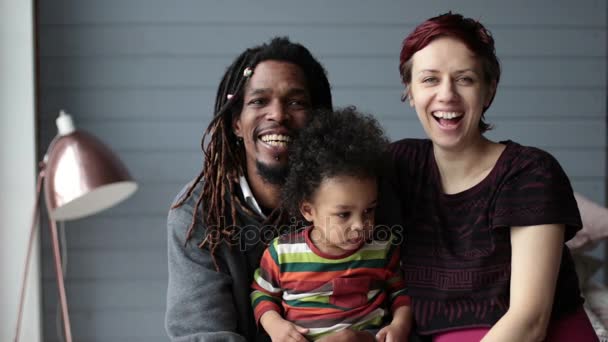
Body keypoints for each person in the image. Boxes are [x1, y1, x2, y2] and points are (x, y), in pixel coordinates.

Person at [382, 12, 599, 342]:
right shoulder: (398, 165)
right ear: (410, 91)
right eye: (429, 79)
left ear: (489, 90)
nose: (447, 95)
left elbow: (529, 321)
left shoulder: (529, 173)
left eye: (465, 79)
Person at [164, 37, 333, 341]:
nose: (278, 115)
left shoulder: (356, 196)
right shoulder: (197, 212)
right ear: (236, 124)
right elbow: (204, 334)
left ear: (317, 121)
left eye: (295, 102)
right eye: (258, 101)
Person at [251, 108, 412, 342]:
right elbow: (262, 293)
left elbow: (400, 293)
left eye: (369, 210)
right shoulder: (282, 253)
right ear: (308, 210)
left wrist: (400, 324)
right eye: (343, 214)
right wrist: (275, 325)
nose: (360, 225)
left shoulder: (382, 249)